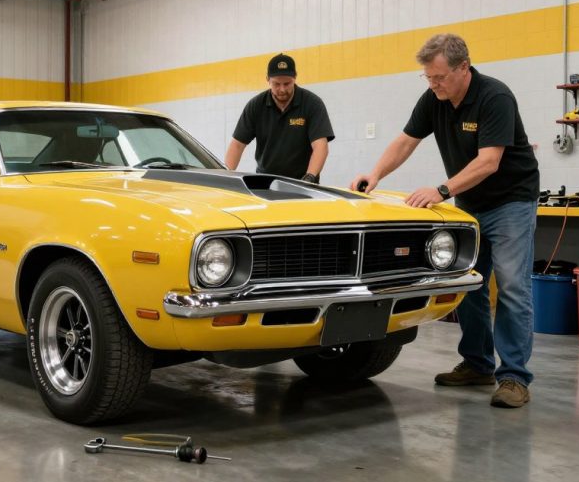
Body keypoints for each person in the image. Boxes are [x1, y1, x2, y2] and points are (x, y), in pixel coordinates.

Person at [350, 34, 539, 408]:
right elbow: (406, 141)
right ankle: (477, 364)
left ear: (463, 68)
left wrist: (441, 189)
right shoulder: (433, 100)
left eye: (439, 77)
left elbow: (489, 161)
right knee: (466, 282)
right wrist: (375, 176)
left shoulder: (494, 97)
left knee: (513, 286)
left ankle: (515, 377)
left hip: (511, 201)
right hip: (471, 202)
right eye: (428, 78)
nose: (433, 84)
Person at [225, 53, 334, 182]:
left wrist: (309, 177)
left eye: (287, 84)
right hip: (265, 182)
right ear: (267, 80)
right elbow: (237, 145)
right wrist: (226, 177)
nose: (282, 89)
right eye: (276, 84)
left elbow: (320, 146)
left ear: (295, 78)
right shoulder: (256, 106)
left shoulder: (312, 104)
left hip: (302, 182)